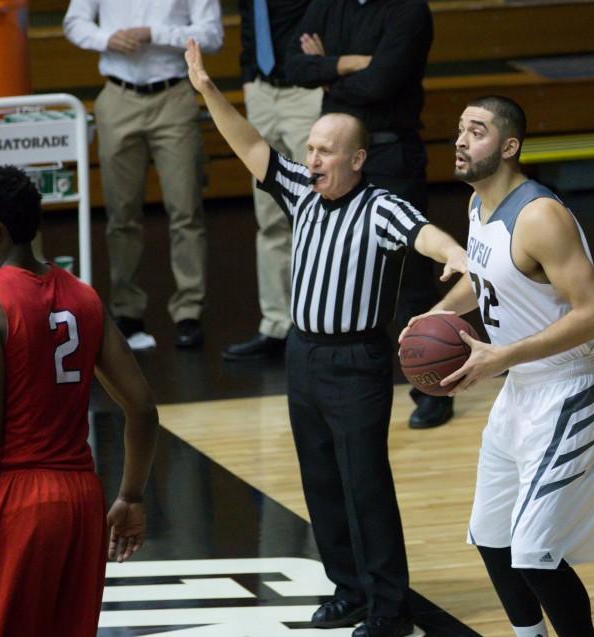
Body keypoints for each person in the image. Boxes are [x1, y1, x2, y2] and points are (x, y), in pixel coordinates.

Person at [185, 39, 466, 637]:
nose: (311, 159)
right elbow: (252, 145)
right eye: (309, 148)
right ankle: (349, 591)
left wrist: (458, 256)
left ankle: (391, 609)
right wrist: (209, 90)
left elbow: (424, 235)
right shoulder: (299, 193)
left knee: (365, 486)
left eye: (324, 151)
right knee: (321, 481)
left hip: (356, 359)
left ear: (357, 159)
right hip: (303, 355)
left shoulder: (380, 207)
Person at [0, 165, 159, 635]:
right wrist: (130, 496)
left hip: (14, 502)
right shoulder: (84, 298)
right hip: (82, 500)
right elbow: (142, 408)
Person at [403, 96, 594, 637]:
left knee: (534, 552)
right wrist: (431, 315)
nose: (460, 140)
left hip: (571, 388)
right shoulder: (479, 206)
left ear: (509, 146)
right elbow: (483, 278)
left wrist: (503, 355)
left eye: (475, 131)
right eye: (459, 130)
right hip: (521, 387)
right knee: (491, 536)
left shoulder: (540, 216)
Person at [284, 0, 452, 429]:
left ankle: (434, 383)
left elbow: (384, 82)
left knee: (409, 273)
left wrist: (327, 71)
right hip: (338, 156)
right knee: (335, 260)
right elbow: (292, 65)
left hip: (390, 150)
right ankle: (342, 375)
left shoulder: (409, 10)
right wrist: (347, 64)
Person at [63, 0, 223, 350]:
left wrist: (155, 33)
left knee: (186, 210)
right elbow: (73, 23)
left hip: (175, 95)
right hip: (118, 94)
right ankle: (127, 309)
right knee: (121, 213)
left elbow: (213, 35)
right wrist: (107, 39)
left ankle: (189, 311)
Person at [223, 0, 322, 361]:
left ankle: (311, 323)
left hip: (305, 92)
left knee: (311, 213)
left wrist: (325, 69)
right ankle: (276, 324)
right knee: (269, 218)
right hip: (262, 91)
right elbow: (251, 28)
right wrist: (249, 78)